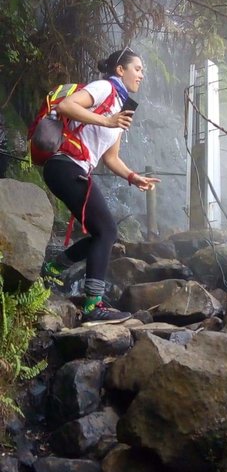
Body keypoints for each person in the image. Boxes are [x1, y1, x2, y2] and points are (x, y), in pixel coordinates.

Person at [42, 47, 160, 326]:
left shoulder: (122, 108)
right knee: (107, 230)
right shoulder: (104, 87)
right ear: (121, 70)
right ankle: (93, 305)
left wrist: (133, 177)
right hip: (64, 165)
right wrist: (106, 119)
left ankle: (51, 270)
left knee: (102, 233)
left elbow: (110, 158)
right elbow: (66, 106)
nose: (141, 75)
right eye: (138, 68)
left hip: (76, 170)